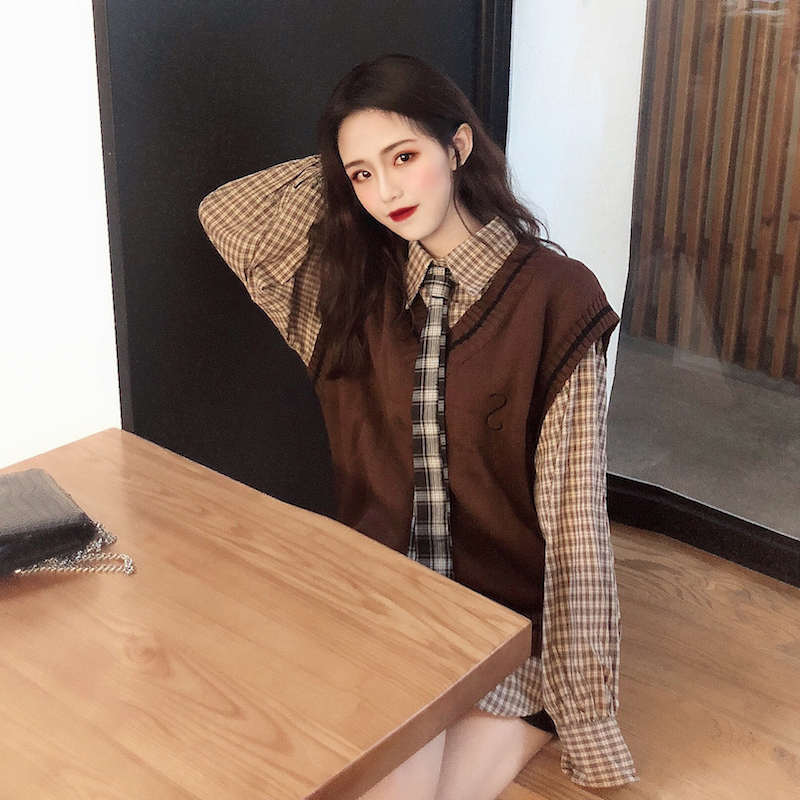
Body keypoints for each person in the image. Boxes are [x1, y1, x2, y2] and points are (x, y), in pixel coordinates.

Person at [199, 53, 637, 799]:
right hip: (383, 616)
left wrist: (586, 710)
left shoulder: (556, 298)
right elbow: (227, 213)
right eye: (362, 174)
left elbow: (575, 523)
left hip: (499, 633)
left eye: (404, 157)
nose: (387, 191)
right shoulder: (347, 294)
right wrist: (346, 165)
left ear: (458, 146)